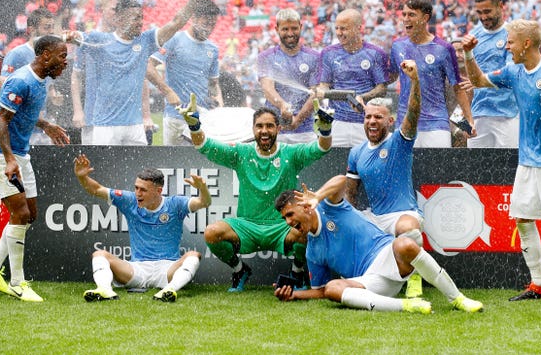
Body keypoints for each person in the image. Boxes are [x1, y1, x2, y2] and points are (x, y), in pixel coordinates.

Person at [462, 19, 541, 306]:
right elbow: (480, 80)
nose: (507, 46)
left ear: (527, 43)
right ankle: (539, 284)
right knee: (522, 219)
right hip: (527, 161)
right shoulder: (513, 72)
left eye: (510, 41)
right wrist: (469, 54)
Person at [177, 94, 334, 292]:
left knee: (308, 228)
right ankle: (240, 270)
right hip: (247, 226)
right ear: (253, 129)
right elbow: (204, 146)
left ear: (278, 128)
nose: (264, 131)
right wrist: (194, 126)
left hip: (282, 226)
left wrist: (326, 130)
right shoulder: (241, 153)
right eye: (259, 126)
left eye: (269, 126)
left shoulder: (291, 154)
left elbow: (321, 148)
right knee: (211, 233)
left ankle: (297, 273)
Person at [273, 175, 484, 313]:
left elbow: (341, 181)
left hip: (388, 257)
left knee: (404, 243)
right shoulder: (312, 251)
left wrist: (318, 196)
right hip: (370, 284)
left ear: (304, 206)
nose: (289, 222)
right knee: (332, 288)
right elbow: (320, 291)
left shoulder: (330, 207)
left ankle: (457, 299)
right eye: (285, 219)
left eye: (290, 214)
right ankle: (407, 306)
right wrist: (294, 295)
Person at [65, 0, 213, 145]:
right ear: (120, 19)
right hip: (105, 126)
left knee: (138, 172)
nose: (140, 22)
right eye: (135, 18)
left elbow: (176, 23)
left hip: (135, 127)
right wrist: (68, 36)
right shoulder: (100, 39)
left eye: (141, 17)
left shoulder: (145, 41)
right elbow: (73, 37)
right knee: (103, 171)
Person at [0, 35, 70, 302]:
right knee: (20, 213)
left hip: (19, 153)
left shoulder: (41, 80)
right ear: (45, 56)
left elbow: (24, 112)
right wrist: (9, 159)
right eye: (61, 55)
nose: (66, 60)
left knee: (29, 215)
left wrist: (46, 126)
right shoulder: (20, 80)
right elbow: (2, 121)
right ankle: (17, 283)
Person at [73, 154, 210, 302]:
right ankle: (105, 290)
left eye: (143, 190)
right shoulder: (129, 200)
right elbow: (97, 189)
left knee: (193, 255)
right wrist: (82, 177)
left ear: (158, 191)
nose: (137, 193)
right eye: (136, 188)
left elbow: (204, 202)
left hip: (168, 269)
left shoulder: (175, 204)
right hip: (136, 270)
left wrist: (203, 188)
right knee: (99, 255)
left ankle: (169, 290)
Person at [346, 59, 425, 299]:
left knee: (407, 228)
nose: (372, 121)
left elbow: (413, 112)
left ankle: (415, 277)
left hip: (402, 214)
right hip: (374, 217)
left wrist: (414, 81)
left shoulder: (398, 143)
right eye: (368, 117)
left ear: (390, 121)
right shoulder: (356, 152)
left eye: (378, 117)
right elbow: (350, 194)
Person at [390, 0, 474, 148]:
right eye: (404, 14)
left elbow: (457, 87)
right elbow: (391, 76)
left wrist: (469, 119)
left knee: (438, 171)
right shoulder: (397, 46)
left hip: (436, 124)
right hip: (405, 122)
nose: (406, 19)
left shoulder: (443, 48)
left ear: (425, 18)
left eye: (411, 15)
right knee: (406, 171)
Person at [146, 0, 222, 146]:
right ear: (193, 19)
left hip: (202, 119)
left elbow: (213, 83)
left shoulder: (213, 49)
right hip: (176, 117)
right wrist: (168, 91)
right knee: (173, 165)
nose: (209, 28)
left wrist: (219, 103)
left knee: (201, 165)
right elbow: (148, 65)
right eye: (206, 23)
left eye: (212, 25)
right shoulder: (175, 39)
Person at [316, 8, 390, 147]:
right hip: (337, 122)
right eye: (337, 28)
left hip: (366, 122)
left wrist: (363, 97)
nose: (339, 33)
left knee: (366, 166)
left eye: (344, 29)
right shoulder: (328, 53)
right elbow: (324, 84)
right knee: (335, 164)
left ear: (358, 28)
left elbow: (382, 89)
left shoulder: (375, 53)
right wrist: (321, 91)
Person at [258, 8, 319, 144]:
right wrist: (282, 105)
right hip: (274, 130)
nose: (290, 33)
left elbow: (316, 93)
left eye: (294, 28)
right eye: (285, 29)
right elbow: (268, 89)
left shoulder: (314, 57)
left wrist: (298, 120)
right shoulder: (266, 57)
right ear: (276, 29)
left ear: (301, 27)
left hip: (305, 131)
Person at [467, 0, 518, 148]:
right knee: (475, 171)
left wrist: (480, 81)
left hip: (508, 114)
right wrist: (465, 117)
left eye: (487, 11)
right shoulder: (473, 36)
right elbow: (465, 81)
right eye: (479, 12)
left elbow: (510, 74)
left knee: (508, 170)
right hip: (478, 114)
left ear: (500, 6)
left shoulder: (513, 34)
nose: (483, 17)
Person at [71, 0, 120, 145]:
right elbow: (75, 76)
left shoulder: (125, 40)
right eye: (113, 9)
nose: (117, 14)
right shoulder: (88, 39)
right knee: (93, 164)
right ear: (102, 10)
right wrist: (78, 111)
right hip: (93, 115)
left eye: (120, 10)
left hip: (121, 117)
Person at [2, 8, 56, 145]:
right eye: (46, 27)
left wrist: (53, 94)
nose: (51, 32)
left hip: (42, 129)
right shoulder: (16, 55)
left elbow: (46, 85)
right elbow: (5, 88)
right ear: (32, 29)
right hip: (19, 129)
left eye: (52, 27)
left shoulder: (50, 56)